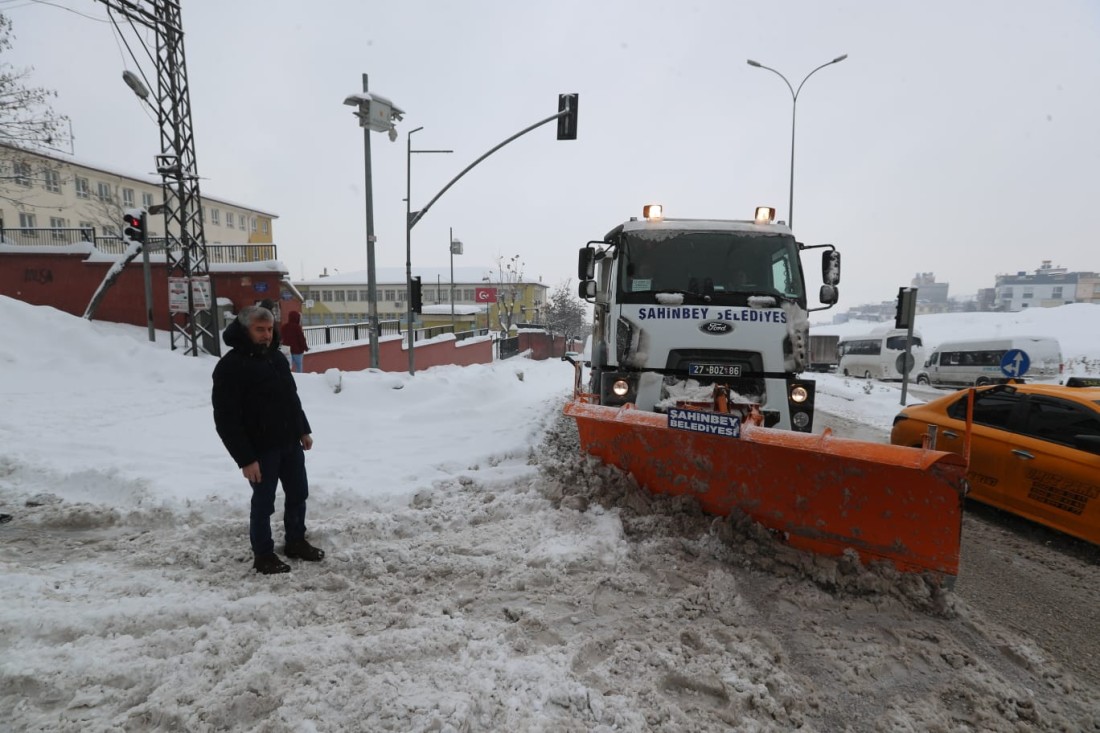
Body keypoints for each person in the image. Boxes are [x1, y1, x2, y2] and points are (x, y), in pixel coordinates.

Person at [212, 305, 324, 575]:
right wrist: (245, 459)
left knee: (298, 493)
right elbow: (226, 419)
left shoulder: (276, 359)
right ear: (245, 330)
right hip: (260, 450)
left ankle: (295, 541)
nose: (265, 335)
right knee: (264, 503)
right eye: (259, 329)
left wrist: (302, 430)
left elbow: (290, 398)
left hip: (289, 442)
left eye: (269, 329)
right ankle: (263, 554)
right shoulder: (230, 367)